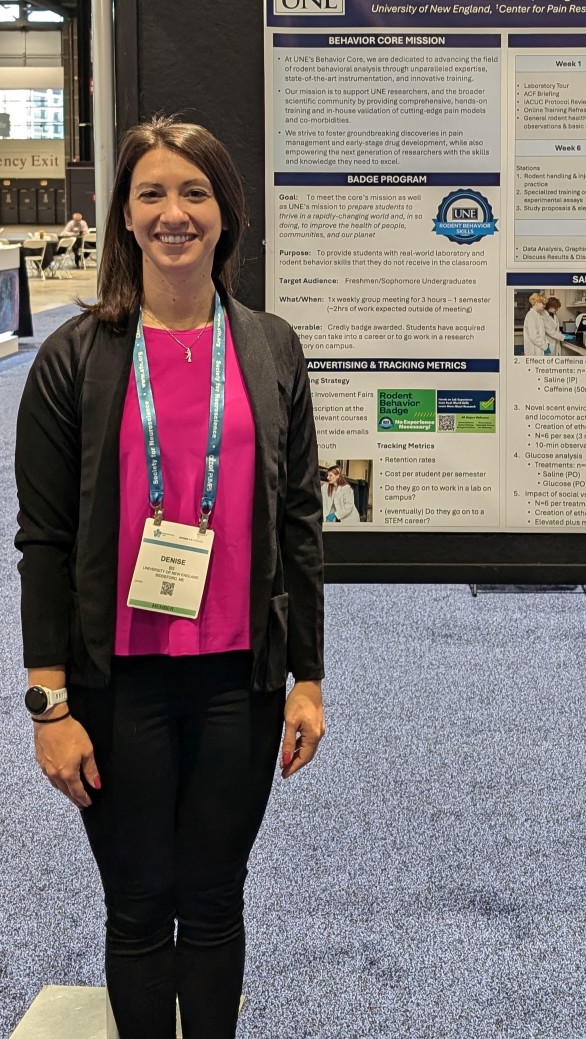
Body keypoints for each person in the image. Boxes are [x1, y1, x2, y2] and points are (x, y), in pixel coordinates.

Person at [15, 118, 325, 1039]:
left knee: (216, 901)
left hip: (241, 679)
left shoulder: (270, 349)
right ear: (124, 216)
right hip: (119, 685)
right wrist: (49, 704)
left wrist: (307, 676)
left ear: (225, 214)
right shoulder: (75, 359)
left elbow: (301, 524)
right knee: (141, 909)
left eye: (193, 193)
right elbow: (44, 541)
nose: (172, 213)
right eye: (150, 193)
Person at [523, 292, 551, 356]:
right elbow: (533, 337)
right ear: (536, 303)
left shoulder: (537, 315)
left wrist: (546, 343)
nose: (544, 306)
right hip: (534, 350)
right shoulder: (531, 315)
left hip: (539, 347)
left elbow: (541, 332)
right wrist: (545, 347)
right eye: (543, 303)